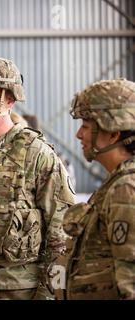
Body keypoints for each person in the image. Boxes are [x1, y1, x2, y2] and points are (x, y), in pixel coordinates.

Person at [0, 56, 75, 300]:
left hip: (19, 290)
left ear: (9, 99)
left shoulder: (36, 154)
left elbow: (62, 234)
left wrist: (48, 294)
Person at [63, 78, 135, 300]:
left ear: (113, 133)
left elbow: (130, 284)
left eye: (85, 126)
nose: (79, 135)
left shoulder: (126, 190)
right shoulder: (115, 182)